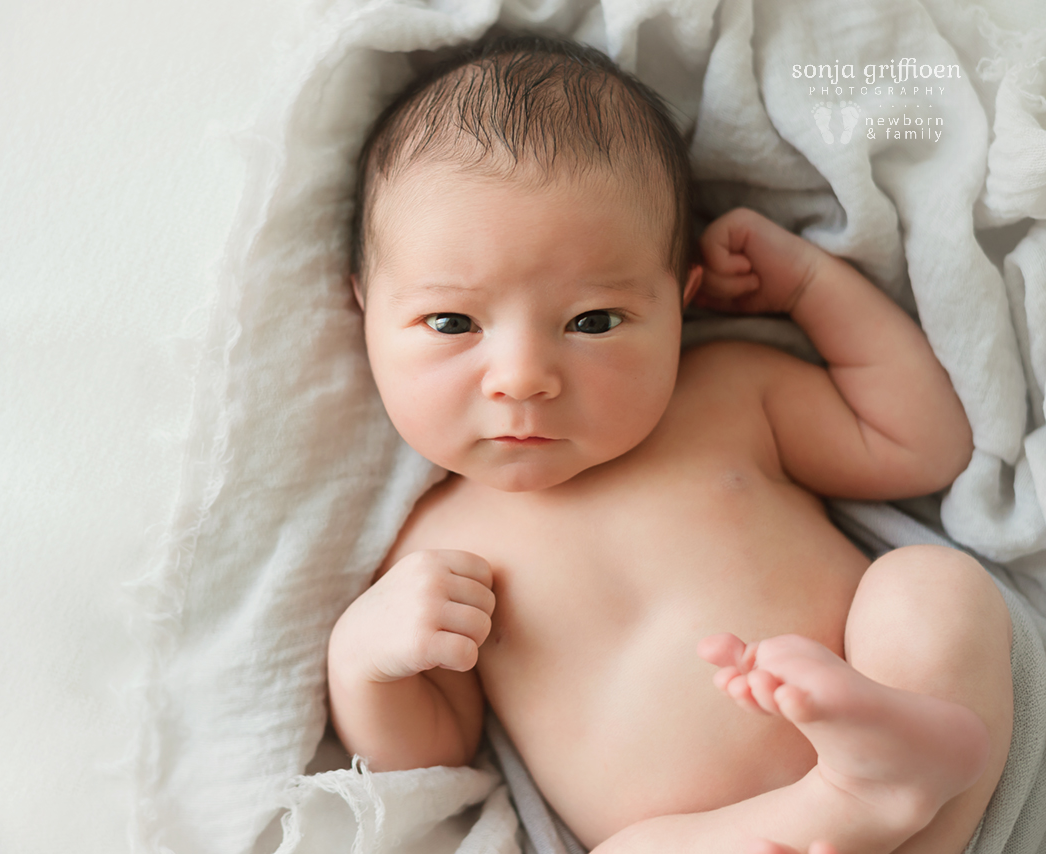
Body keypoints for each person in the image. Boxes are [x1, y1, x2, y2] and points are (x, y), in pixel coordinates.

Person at [326, 33, 1013, 854]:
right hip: (707, 843)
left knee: (932, 585)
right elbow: (430, 754)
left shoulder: (725, 397)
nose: (521, 377)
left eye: (593, 321)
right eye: (451, 322)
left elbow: (920, 446)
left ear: (681, 304)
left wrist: (806, 285)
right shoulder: (425, 549)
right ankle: (861, 806)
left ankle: (893, 801)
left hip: (913, 754)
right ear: (364, 310)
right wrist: (362, 661)